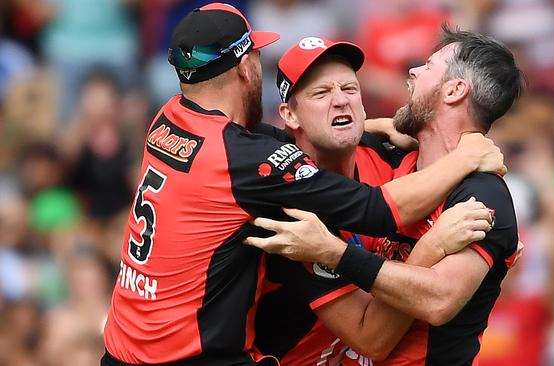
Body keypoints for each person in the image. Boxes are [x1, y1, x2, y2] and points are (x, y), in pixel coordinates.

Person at [101, 4, 506, 366]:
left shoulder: (170, 118)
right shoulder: (279, 193)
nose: (341, 100)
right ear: (247, 69)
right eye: (321, 94)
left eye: (350, 89)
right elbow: (377, 217)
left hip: (128, 341)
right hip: (189, 356)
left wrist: (378, 126)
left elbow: (259, 146)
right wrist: (461, 169)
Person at [246, 26, 525, 365]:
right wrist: (432, 246)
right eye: (320, 93)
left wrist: (334, 252)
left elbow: (438, 300)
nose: (412, 70)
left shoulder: (481, 196)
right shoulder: (394, 160)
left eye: (428, 66)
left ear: (453, 90)